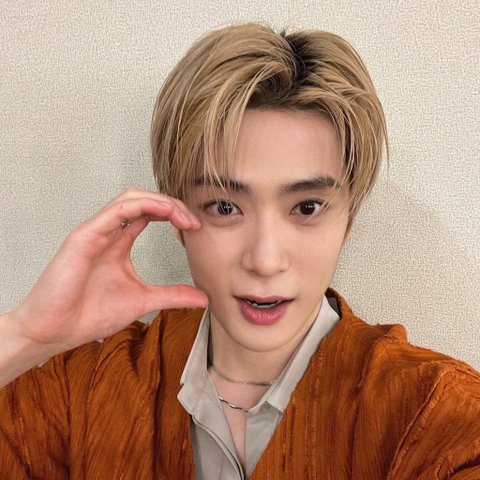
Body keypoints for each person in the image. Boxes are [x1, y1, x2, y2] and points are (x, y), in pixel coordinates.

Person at [0, 23, 479, 480]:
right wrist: (27, 335)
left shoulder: (436, 412)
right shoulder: (78, 390)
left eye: (307, 207)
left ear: (348, 220)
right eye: (225, 207)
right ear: (176, 215)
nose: (265, 261)